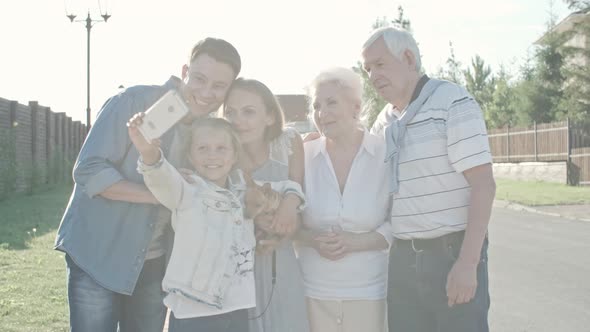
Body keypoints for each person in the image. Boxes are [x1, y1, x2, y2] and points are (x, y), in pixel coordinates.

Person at [53, 37, 241, 332]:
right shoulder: (134, 102)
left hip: (155, 263)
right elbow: (89, 171)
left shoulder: (209, 132)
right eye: (199, 79)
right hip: (99, 252)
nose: (206, 93)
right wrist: (160, 195)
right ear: (184, 71)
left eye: (219, 86)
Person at [361, 26, 496, 332]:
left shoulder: (452, 102)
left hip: (451, 254)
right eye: (367, 69)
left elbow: (484, 185)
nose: (372, 76)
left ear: (408, 58)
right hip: (402, 259)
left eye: (380, 64)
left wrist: (467, 264)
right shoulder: (384, 121)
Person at [127, 116, 304, 332]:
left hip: (237, 307)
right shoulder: (187, 189)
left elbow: (288, 187)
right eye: (203, 148)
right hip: (194, 311)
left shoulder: (245, 190)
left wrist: (289, 203)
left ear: (234, 155)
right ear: (190, 156)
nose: (212, 155)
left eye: (221, 148)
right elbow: (160, 176)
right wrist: (147, 151)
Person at [297, 67, 392, 332]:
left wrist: (356, 242)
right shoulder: (302, 155)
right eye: (316, 105)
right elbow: (287, 224)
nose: (321, 113)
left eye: (331, 103)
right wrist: (312, 240)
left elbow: (399, 222)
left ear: (356, 107)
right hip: (311, 292)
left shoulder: (385, 154)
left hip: (370, 292)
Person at [221, 78, 310, 332]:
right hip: (235, 267)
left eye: (248, 112)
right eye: (230, 112)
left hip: (279, 260)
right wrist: (251, 221)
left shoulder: (289, 142)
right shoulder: (219, 153)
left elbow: (297, 206)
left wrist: (284, 230)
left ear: (270, 116)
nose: (237, 120)